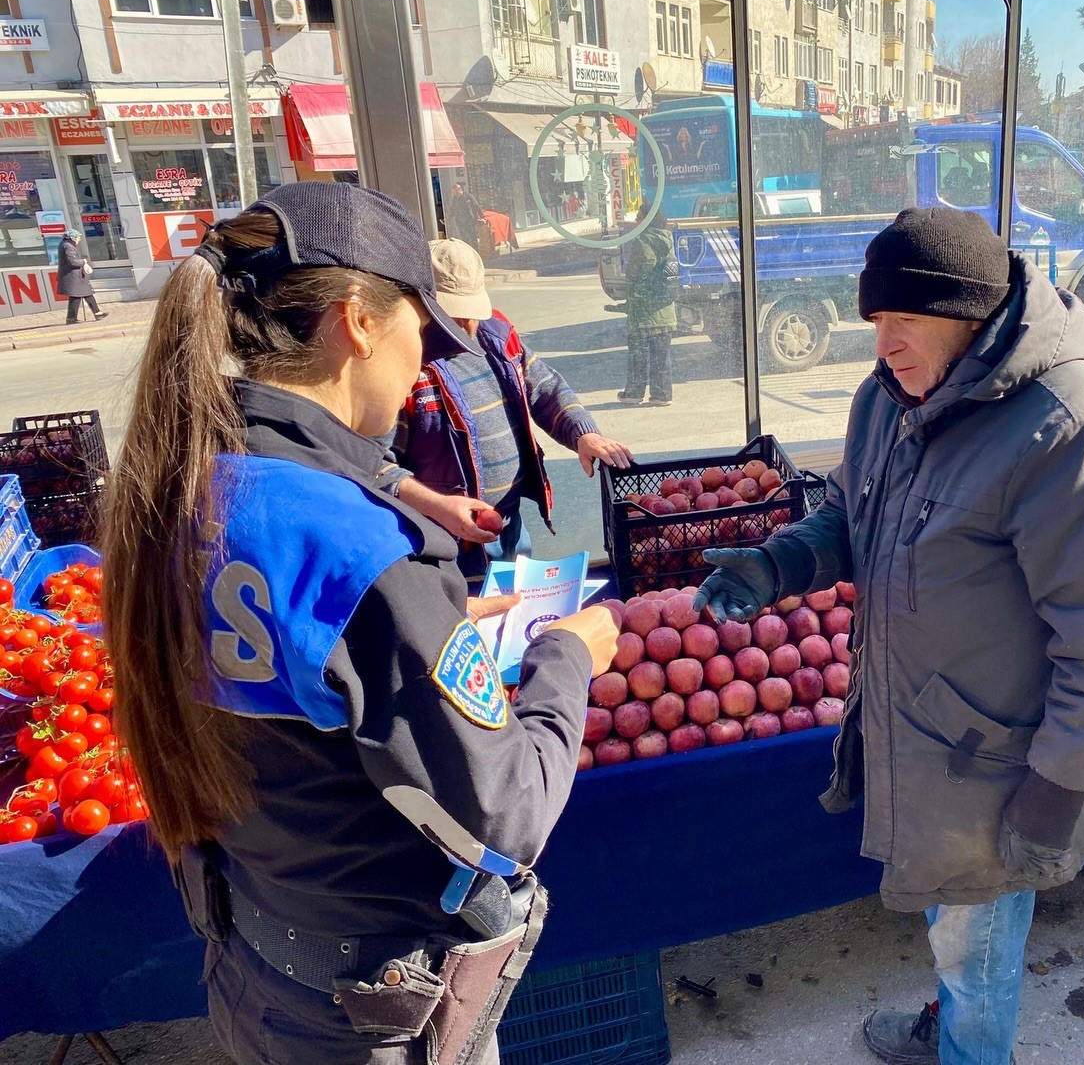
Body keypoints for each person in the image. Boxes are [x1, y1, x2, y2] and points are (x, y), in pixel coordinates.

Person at [101, 182, 618, 1065]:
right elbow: (507, 815)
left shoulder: (178, 482)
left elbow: (306, 676)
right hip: (369, 1011)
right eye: (422, 330)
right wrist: (568, 655)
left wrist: (429, 624)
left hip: (256, 959)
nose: (426, 364)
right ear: (359, 321)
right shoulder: (358, 544)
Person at [693, 207, 1084, 1065]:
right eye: (874, 320)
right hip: (921, 739)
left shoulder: (1064, 425)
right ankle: (953, 1030)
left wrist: (1055, 788)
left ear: (969, 315)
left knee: (979, 957)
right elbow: (850, 512)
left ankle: (972, 1050)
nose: (884, 343)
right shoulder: (890, 397)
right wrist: (776, 565)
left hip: (998, 766)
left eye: (903, 319)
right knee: (955, 933)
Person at [380, 238, 633, 584]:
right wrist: (439, 507)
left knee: (517, 610)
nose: (469, 325)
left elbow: (545, 388)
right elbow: (375, 467)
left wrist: (582, 433)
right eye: (455, 314)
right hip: (443, 545)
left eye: (474, 311)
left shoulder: (496, 336)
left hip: (508, 526)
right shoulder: (402, 368)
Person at [612, 202, 677, 406]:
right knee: (661, 355)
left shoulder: (643, 241)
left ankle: (633, 393)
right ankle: (662, 395)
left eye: (639, 217)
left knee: (638, 354)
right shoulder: (666, 238)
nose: (635, 221)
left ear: (647, 220)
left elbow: (641, 271)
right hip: (664, 308)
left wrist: (632, 293)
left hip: (643, 310)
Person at [57, 229, 107, 324]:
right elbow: (72, 262)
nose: (79, 239)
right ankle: (73, 318)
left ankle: (75, 317)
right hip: (73, 276)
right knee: (80, 295)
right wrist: (83, 261)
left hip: (73, 276)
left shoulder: (65, 244)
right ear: (73, 237)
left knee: (82, 294)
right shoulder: (68, 246)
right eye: (78, 237)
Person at [449, 182, 491, 258]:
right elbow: (452, 209)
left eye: (456, 192)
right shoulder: (455, 199)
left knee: (473, 237)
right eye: (454, 192)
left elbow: (476, 206)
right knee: (465, 238)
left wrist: (482, 217)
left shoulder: (468, 197)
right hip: (460, 222)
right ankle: (468, 254)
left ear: (460, 190)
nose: (455, 194)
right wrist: (448, 218)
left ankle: (476, 254)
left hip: (470, 220)